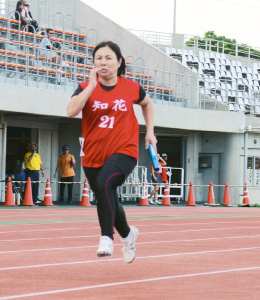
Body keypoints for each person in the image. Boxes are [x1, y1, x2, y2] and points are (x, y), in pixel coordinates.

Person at [67, 41, 156, 263]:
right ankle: (128, 235)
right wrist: (89, 86)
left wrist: (150, 132)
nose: (103, 62)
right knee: (108, 198)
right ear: (93, 63)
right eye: (98, 58)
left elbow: (147, 104)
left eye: (108, 58)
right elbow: (71, 111)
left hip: (124, 150)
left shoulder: (132, 87)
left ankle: (106, 237)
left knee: (105, 185)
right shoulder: (83, 87)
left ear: (119, 62)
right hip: (93, 153)